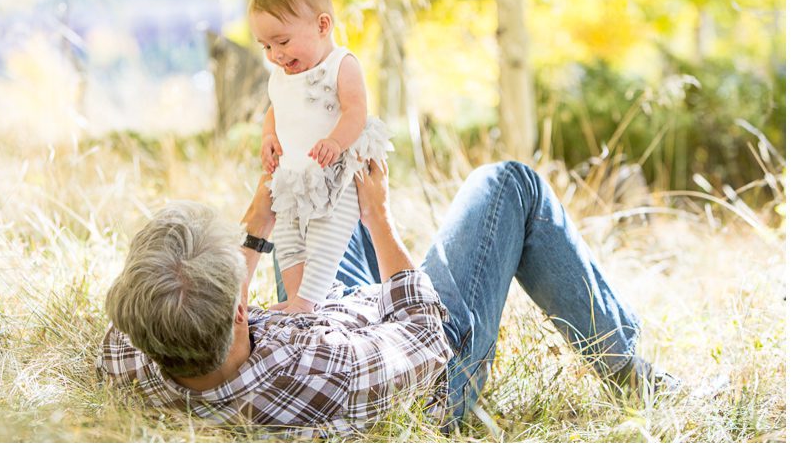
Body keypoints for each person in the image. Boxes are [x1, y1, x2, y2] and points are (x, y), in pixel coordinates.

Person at [98, 159, 680, 438]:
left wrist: (259, 226)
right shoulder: (332, 372)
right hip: (423, 362)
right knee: (507, 184)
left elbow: (191, 298)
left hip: (333, 322)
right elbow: (425, 329)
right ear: (241, 309)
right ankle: (626, 366)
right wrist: (379, 219)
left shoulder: (133, 349)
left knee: (317, 191)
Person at [251, 0, 393, 314]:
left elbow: (356, 110)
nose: (275, 55)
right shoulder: (281, 76)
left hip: (334, 175)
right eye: (266, 46)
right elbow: (277, 109)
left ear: (322, 25)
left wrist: (336, 141)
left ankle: (309, 300)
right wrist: (269, 135)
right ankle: (300, 301)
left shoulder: (340, 64)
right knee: (287, 241)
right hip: (293, 177)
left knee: (323, 240)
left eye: (282, 42)